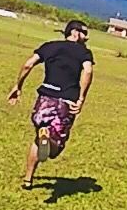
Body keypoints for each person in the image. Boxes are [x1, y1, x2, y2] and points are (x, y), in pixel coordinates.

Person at [7, 20, 95, 189]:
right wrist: (82, 98)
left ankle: (28, 179)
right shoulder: (84, 52)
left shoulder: (50, 46)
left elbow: (28, 64)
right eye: (84, 33)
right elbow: (88, 71)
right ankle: (47, 136)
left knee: (39, 141)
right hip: (66, 102)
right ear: (75, 33)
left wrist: (18, 86)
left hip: (44, 99)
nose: (86, 38)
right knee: (55, 149)